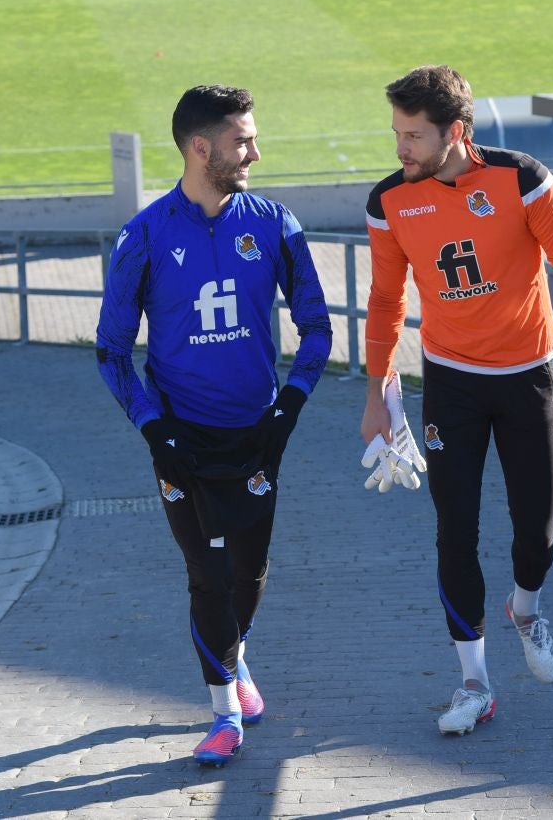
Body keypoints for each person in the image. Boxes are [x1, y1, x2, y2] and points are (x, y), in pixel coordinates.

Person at [96, 85, 332, 766]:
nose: (255, 152)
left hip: (257, 435)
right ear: (200, 147)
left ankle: (236, 654)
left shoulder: (275, 223)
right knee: (208, 574)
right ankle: (224, 711)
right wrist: (153, 428)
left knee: (248, 573)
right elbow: (111, 351)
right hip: (181, 440)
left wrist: (289, 407)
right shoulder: (144, 236)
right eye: (242, 141)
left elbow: (317, 327)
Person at [359, 65, 553, 735]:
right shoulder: (389, 201)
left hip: (528, 378)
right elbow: (385, 299)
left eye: (413, 135)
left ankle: (526, 608)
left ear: (456, 131)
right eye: (396, 133)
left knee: (537, 532)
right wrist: (378, 392)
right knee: (454, 530)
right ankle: (474, 683)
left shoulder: (522, 179)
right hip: (450, 383)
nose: (401, 148)